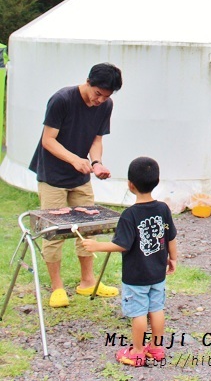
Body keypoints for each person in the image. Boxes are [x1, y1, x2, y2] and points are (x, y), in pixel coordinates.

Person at [29, 62, 123, 308]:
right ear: (88, 82)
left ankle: (87, 281)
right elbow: (48, 140)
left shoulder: (106, 105)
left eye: (106, 96)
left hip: (80, 177)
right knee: (54, 233)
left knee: (87, 228)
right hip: (52, 176)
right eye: (97, 94)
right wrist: (74, 159)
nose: (100, 100)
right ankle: (57, 287)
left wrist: (97, 162)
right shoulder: (62, 99)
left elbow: (96, 139)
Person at [83, 156, 178, 367]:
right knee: (157, 309)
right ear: (157, 182)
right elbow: (170, 236)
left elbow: (122, 245)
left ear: (130, 185)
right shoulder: (163, 209)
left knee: (138, 313)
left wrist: (96, 245)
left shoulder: (129, 215)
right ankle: (156, 348)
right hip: (157, 273)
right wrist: (173, 258)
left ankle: (136, 352)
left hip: (136, 276)